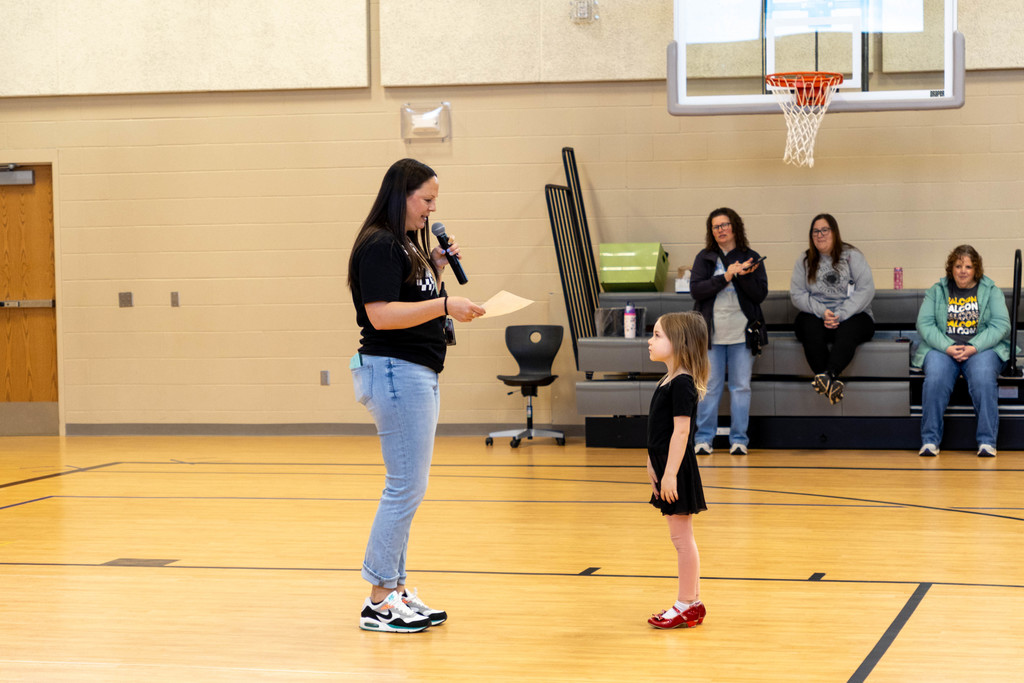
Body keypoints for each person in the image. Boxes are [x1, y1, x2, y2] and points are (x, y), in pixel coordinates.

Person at [348, 158, 486, 632]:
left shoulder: (410, 246)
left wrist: (439, 272)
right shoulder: (381, 245)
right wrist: (447, 302)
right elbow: (383, 316)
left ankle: (397, 588)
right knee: (404, 487)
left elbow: (414, 305)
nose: (431, 210)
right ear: (401, 194)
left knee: (410, 486)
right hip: (394, 371)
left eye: (434, 202)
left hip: (415, 371)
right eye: (425, 200)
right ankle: (378, 599)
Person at [645, 311, 710, 629]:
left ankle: (687, 603)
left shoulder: (682, 383)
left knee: (681, 538)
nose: (650, 341)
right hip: (665, 463)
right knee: (681, 536)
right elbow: (658, 430)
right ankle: (692, 603)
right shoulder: (668, 379)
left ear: (679, 343)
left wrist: (670, 473)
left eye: (657, 335)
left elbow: (681, 433)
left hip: (677, 467)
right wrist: (651, 462)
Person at [914, 245, 1011, 458]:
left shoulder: (991, 290)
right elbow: (924, 324)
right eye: (958, 266)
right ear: (951, 268)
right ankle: (930, 441)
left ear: (976, 269)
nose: (963, 270)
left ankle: (986, 442)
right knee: (936, 378)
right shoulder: (937, 290)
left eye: (968, 266)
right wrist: (947, 347)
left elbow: (1001, 325)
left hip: (981, 349)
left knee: (984, 378)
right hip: (943, 349)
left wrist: (974, 347)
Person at [690, 208, 768, 456]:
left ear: (735, 227)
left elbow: (760, 295)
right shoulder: (704, 258)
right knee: (709, 387)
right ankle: (703, 439)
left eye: (724, 225)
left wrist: (742, 275)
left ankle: (739, 439)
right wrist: (726, 276)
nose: (720, 230)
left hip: (742, 334)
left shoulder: (750, 257)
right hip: (711, 337)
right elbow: (697, 291)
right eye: (715, 226)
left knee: (740, 387)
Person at [789, 213, 875, 405]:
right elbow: (797, 294)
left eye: (824, 230)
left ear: (834, 232)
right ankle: (830, 381)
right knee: (805, 323)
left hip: (851, 316)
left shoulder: (852, 256)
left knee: (851, 326)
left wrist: (840, 314)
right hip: (819, 316)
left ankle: (828, 374)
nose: (820, 235)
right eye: (815, 232)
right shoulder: (805, 260)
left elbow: (866, 290)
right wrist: (822, 312)